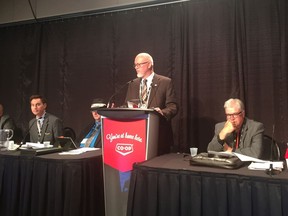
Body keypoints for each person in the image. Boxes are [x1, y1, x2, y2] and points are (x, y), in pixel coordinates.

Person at [125, 52, 178, 155]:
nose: (136, 67)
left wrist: (161, 112)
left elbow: (173, 106)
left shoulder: (165, 82)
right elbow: (127, 104)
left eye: (139, 64)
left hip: (158, 134)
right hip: (135, 134)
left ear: (149, 64)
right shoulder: (133, 84)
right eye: (135, 65)